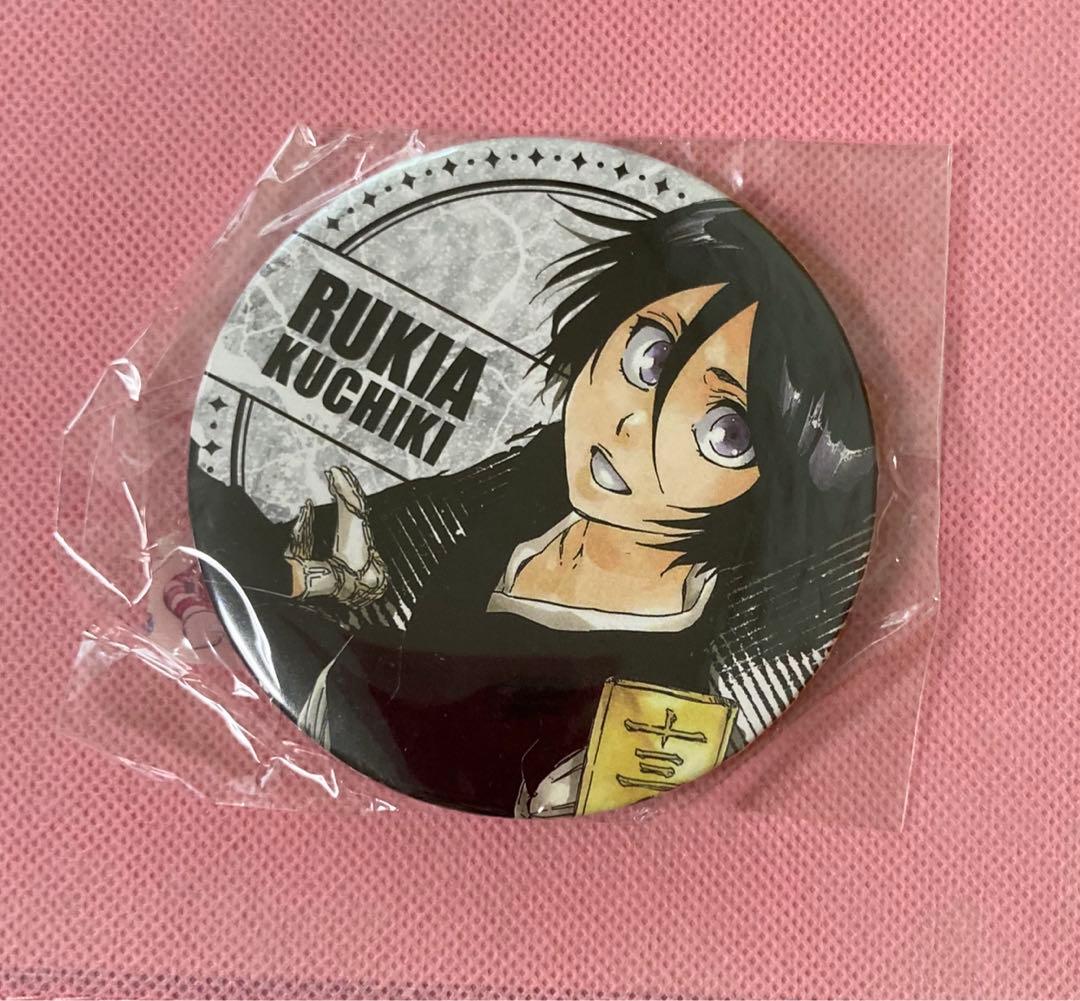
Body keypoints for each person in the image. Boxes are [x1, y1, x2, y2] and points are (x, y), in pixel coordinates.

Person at [190, 199, 876, 817]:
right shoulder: (529, 484)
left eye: (723, 431)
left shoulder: (664, 696)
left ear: (768, 482)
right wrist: (331, 586)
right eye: (650, 355)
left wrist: (547, 800)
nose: (633, 424)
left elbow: (453, 778)